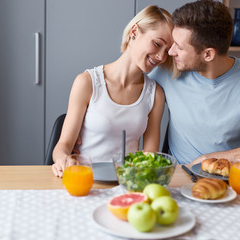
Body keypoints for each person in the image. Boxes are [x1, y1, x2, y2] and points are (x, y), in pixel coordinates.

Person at [148, 0, 240, 166]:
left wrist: (209, 159)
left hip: (230, 177)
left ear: (208, 54)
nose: (170, 51)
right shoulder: (166, 71)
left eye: (179, 47)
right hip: (178, 176)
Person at [51, 5, 175, 177]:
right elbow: (62, 145)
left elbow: (150, 158)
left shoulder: (155, 95)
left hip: (126, 182)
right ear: (134, 32)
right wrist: (64, 159)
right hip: (85, 180)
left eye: (167, 51)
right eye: (157, 44)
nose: (161, 57)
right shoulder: (87, 82)